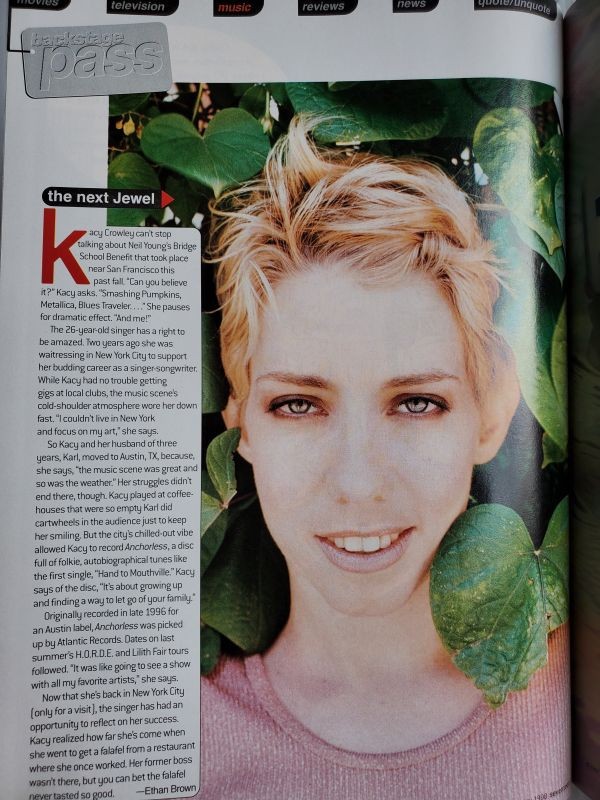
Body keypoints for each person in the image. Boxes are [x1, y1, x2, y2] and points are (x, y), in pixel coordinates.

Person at [197, 117, 569, 799]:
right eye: (298, 405)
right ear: (240, 421)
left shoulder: (575, 694)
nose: (359, 481)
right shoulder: (177, 736)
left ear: (490, 415)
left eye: (417, 402)